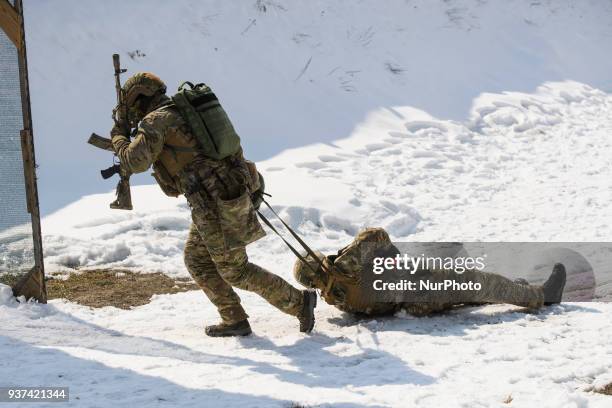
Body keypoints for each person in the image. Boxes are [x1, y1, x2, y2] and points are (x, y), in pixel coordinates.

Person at [110, 72, 316, 336]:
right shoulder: (181, 111)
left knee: (235, 270)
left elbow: (133, 161)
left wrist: (118, 136)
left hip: (217, 204)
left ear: (140, 98)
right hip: (222, 196)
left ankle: (300, 303)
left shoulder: (156, 121)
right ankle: (234, 318)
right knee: (198, 260)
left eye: (130, 104)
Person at [293, 228, 566, 317]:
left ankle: (511, 291)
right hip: (419, 286)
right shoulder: (343, 266)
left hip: (413, 304)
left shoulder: (335, 298)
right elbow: (376, 235)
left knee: (466, 292)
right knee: (475, 280)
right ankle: (541, 296)